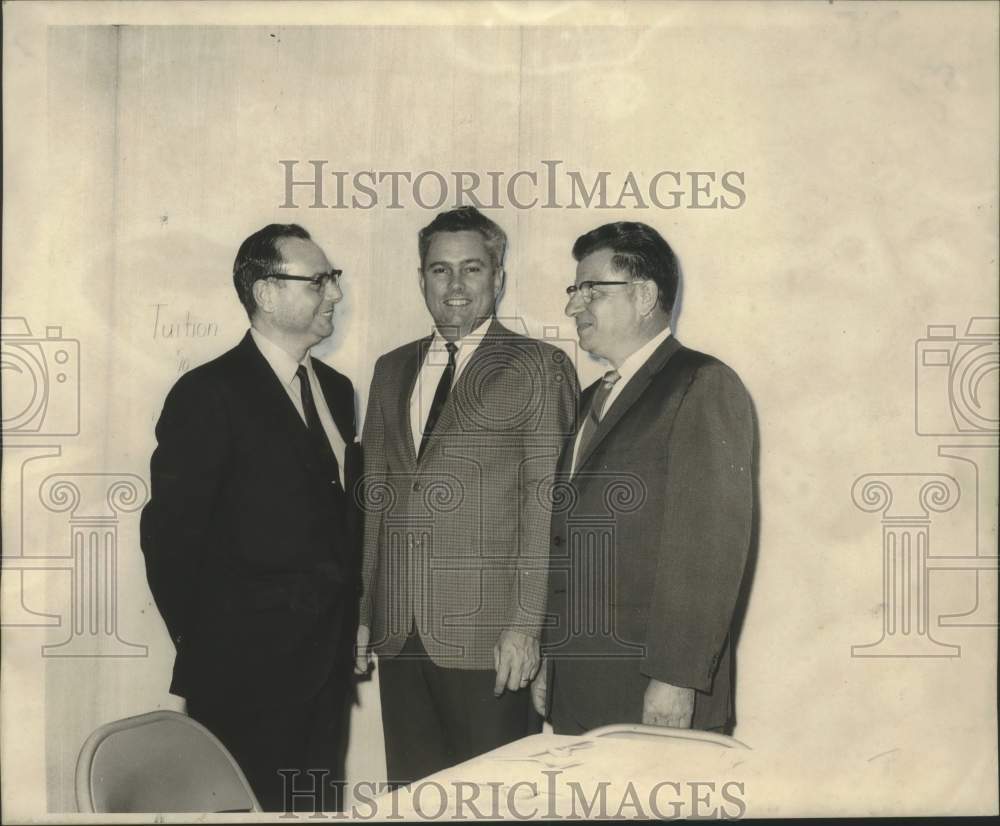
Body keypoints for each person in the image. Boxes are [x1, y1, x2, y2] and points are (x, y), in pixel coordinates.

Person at [140, 224, 360, 811]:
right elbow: (168, 538)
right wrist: (211, 649)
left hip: (326, 672)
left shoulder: (337, 390)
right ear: (265, 293)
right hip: (242, 678)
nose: (334, 294)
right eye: (318, 282)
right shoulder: (207, 393)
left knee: (313, 809)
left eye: (331, 280)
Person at [355, 206, 578, 785]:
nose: (454, 286)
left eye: (472, 269)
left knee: (493, 802)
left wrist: (527, 626)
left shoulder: (539, 366)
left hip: (491, 641)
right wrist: (361, 615)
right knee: (414, 799)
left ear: (498, 278)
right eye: (439, 270)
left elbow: (546, 505)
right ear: (421, 278)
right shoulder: (390, 368)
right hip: (401, 636)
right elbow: (375, 502)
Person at [534, 221, 756, 735]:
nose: (573, 306)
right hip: (581, 684)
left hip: (651, 690)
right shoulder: (592, 399)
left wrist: (676, 679)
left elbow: (710, 550)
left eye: (592, 289)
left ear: (645, 295)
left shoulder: (702, 385)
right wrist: (553, 657)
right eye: (574, 290)